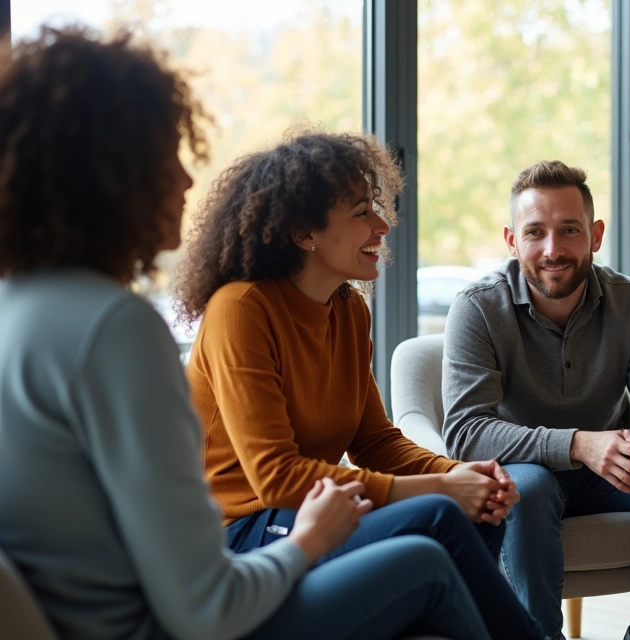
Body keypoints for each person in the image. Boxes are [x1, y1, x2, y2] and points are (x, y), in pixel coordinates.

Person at [0, 26, 497, 640]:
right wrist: (314, 538)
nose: (186, 181)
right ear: (108, 175)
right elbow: (207, 603)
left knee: (459, 522)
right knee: (430, 545)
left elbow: (374, 439)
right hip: (225, 564)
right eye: (166, 155)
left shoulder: (23, 311)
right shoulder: (120, 329)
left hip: (186, 588)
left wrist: (456, 474)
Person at [174, 130, 544, 639]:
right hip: (244, 536)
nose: (383, 224)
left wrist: (463, 474)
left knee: (478, 511)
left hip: (318, 511)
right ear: (306, 232)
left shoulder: (349, 311)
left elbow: (374, 442)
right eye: (361, 213)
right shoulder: (241, 311)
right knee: (440, 512)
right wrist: (441, 486)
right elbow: (276, 479)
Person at [442, 160, 630, 640]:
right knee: (529, 486)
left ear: (595, 235)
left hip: (612, 473)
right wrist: (579, 444)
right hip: (525, 470)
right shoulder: (477, 308)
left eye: (569, 230)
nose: (552, 250)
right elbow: (466, 434)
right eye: (535, 232)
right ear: (512, 241)